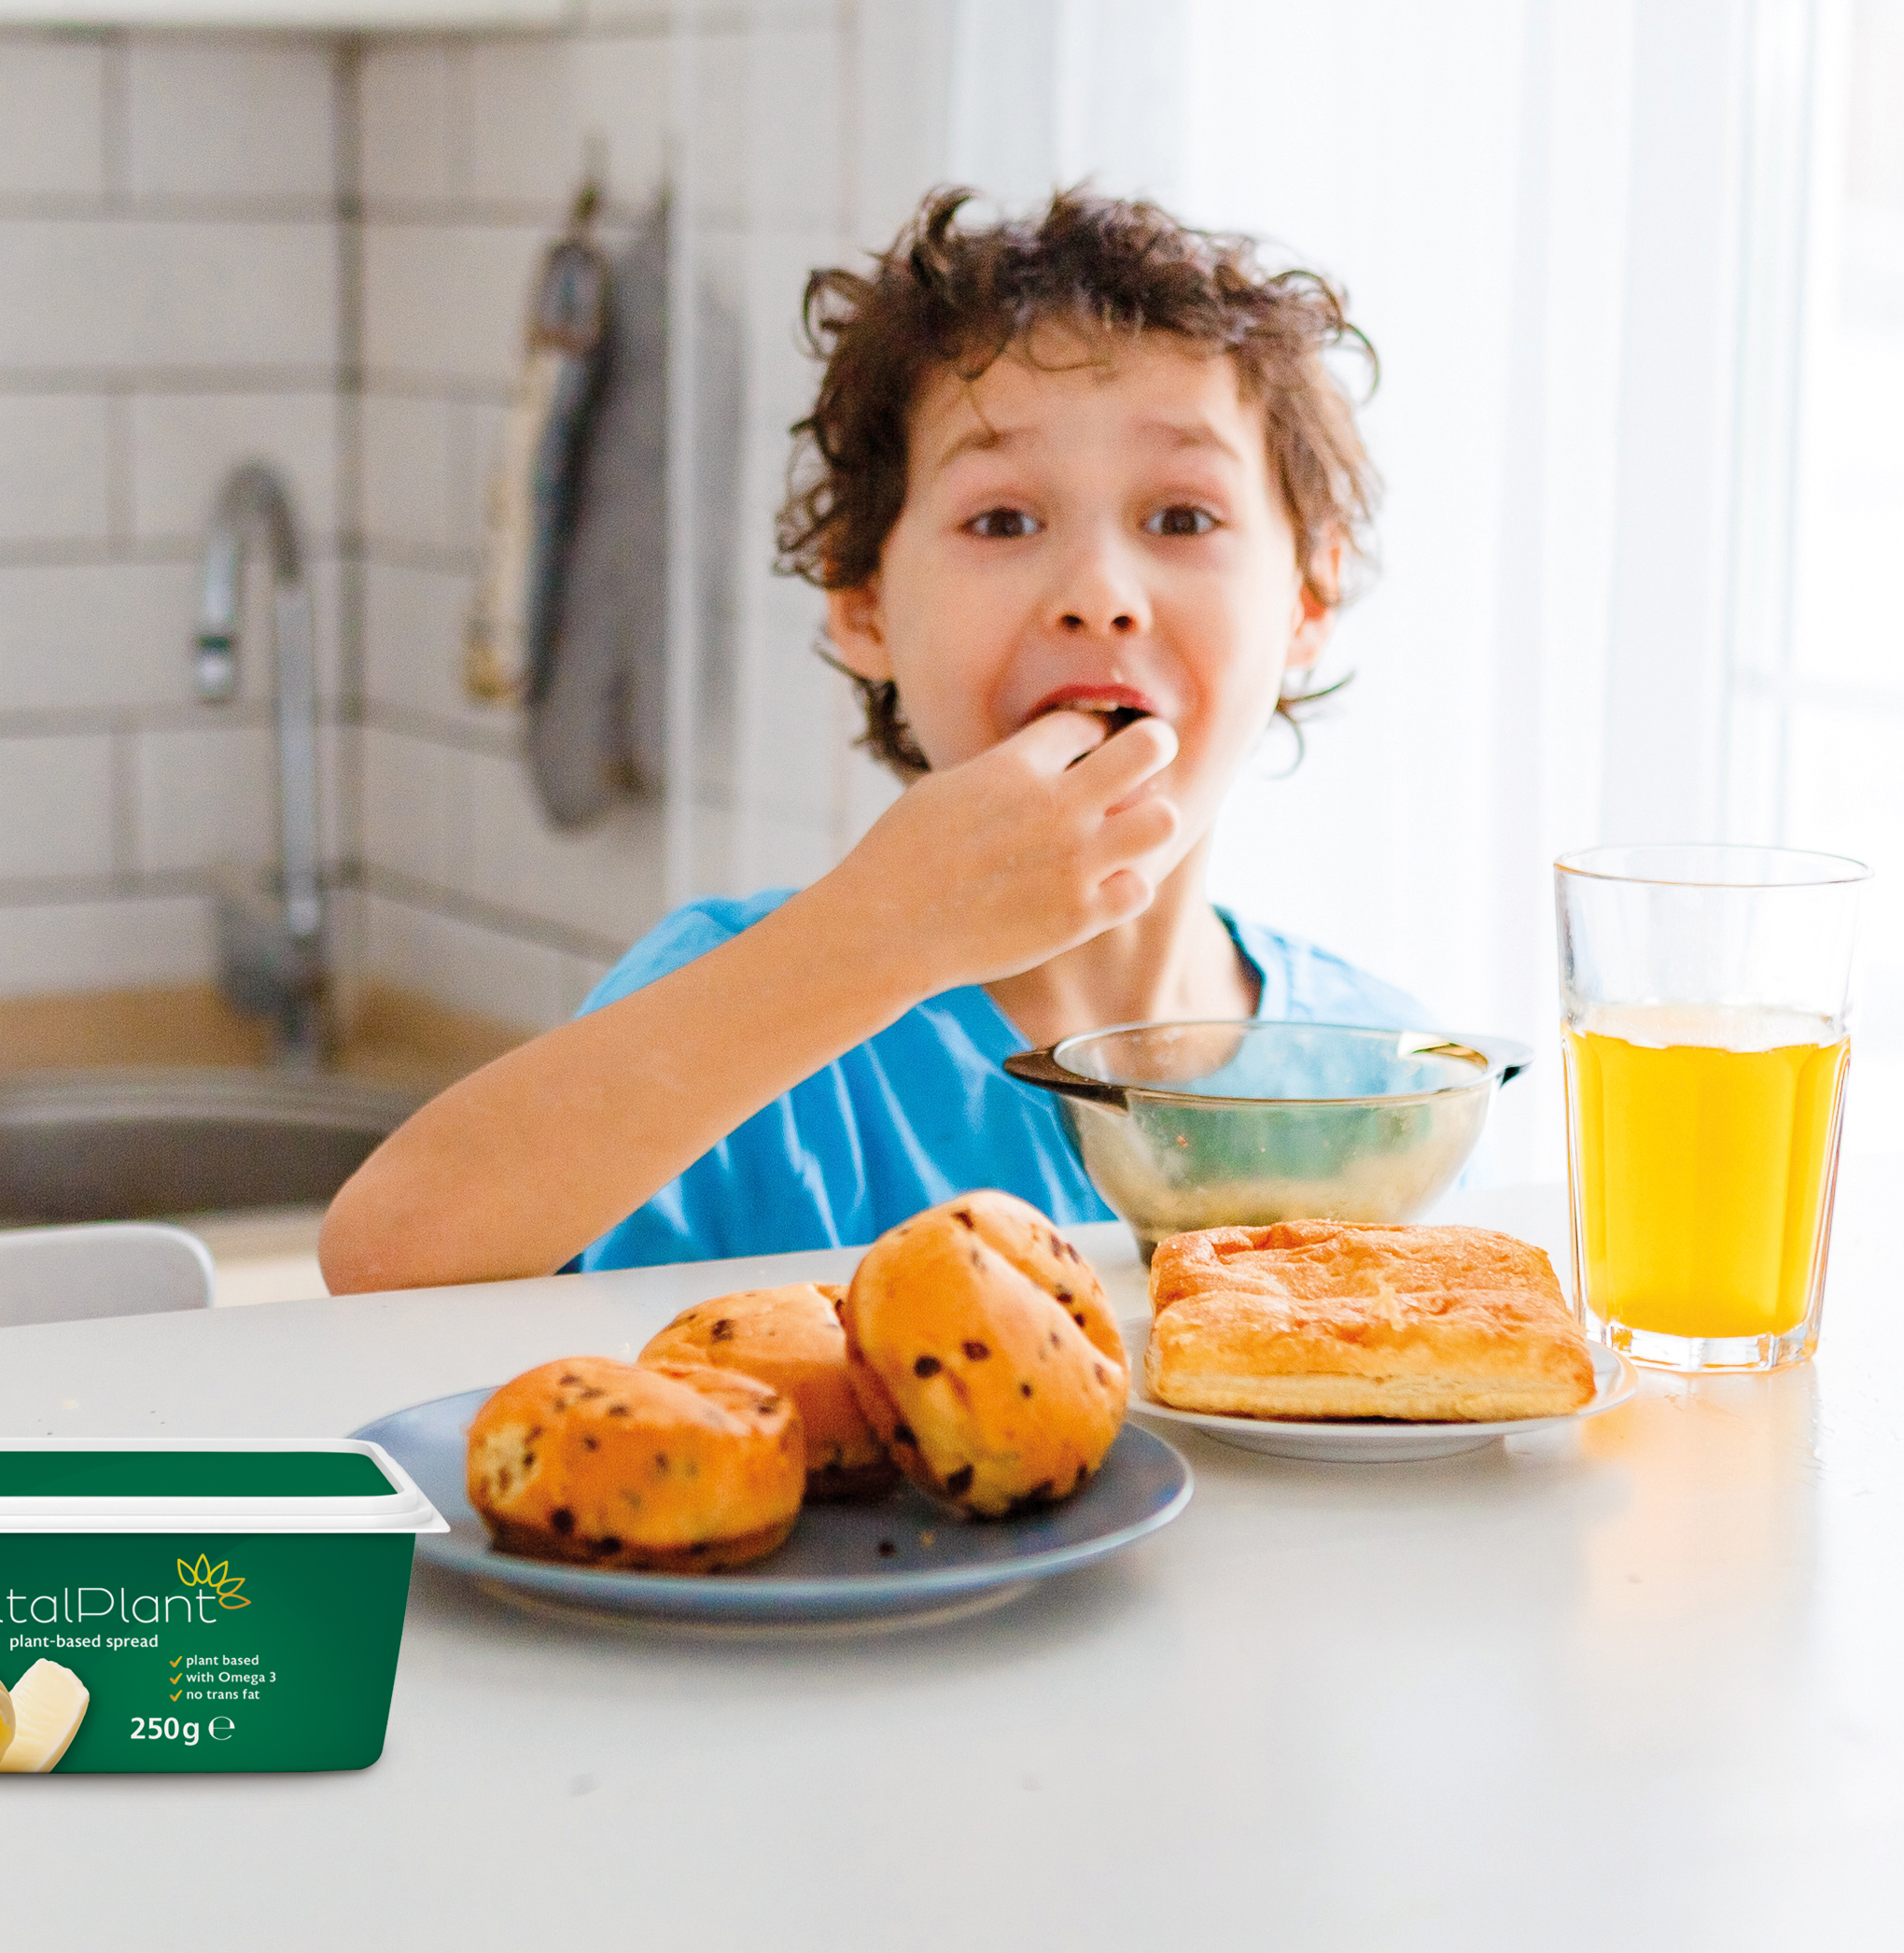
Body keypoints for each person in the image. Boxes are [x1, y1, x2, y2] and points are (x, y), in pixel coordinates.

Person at [320, 186, 1419, 1289]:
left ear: (1306, 603)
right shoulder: (749, 1012)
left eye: (1181, 518)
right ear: (861, 605)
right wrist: (887, 933)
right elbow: (387, 1256)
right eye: (1004, 520)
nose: (1098, 593)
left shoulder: (1388, 1078)